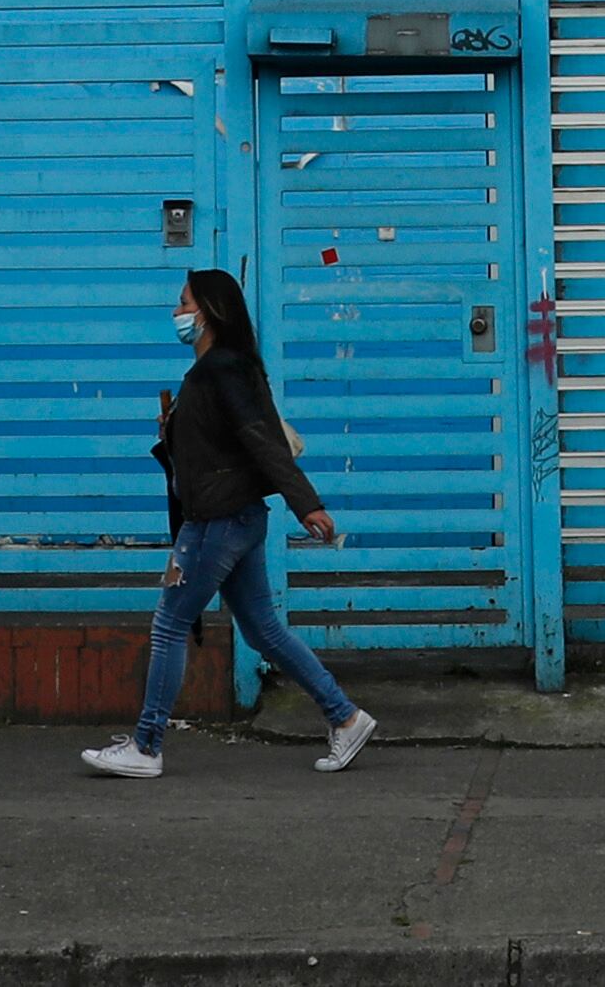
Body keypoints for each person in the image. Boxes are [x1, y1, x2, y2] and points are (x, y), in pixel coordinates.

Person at [80, 266, 384, 778]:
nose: (176, 312)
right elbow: (219, 446)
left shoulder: (221, 370)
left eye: (184, 303)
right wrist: (173, 431)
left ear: (210, 312)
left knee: (169, 624)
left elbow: (261, 439)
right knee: (263, 630)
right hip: (236, 517)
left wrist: (306, 503)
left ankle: (146, 746)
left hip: (217, 523)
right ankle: (345, 716)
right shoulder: (219, 370)